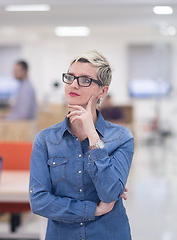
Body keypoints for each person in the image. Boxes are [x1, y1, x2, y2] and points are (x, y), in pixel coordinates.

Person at [29, 50, 134, 239]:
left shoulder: (121, 137)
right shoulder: (45, 139)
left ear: (103, 90)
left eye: (85, 80)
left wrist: (93, 138)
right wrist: (93, 209)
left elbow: (110, 193)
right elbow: (39, 201)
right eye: (70, 77)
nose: (73, 85)